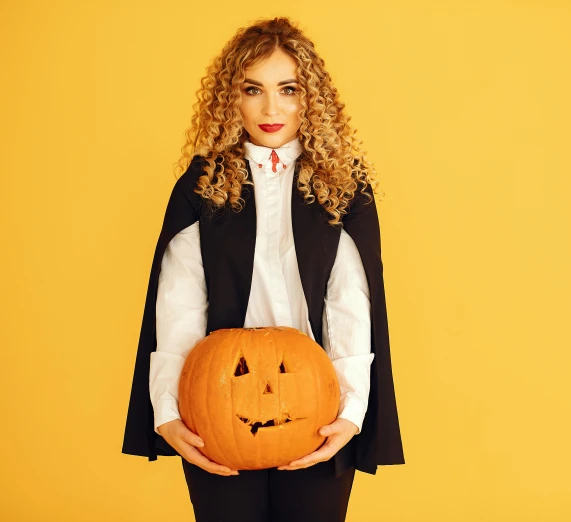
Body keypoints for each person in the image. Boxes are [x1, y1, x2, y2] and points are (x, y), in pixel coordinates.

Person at [121, 17, 405, 522]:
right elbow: (179, 301)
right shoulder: (202, 183)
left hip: (318, 404)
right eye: (253, 90)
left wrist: (351, 413)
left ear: (310, 99)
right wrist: (167, 411)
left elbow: (350, 302)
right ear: (232, 98)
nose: (271, 108)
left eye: (288, 89)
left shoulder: (342, 185)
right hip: (218, 399)